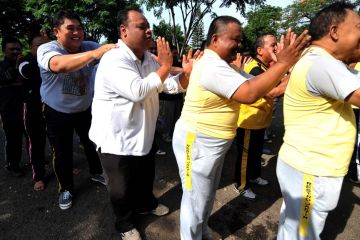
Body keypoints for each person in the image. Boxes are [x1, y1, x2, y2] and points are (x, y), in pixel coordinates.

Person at [172, 16, 310, 240]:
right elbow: (249, 93)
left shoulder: (224, 66)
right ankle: (191, 236)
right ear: (215, 39)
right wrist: (284, 63)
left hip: (212, 145)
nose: (239, 44)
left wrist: (289, 68)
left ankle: (200, 230)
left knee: (205, 195)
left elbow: (262, 86)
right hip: (195, 142)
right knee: (194, 198)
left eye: (240, 39)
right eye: (234, 39)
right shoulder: (211, 66)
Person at [89, 8, 198, 240]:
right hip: (115, 140)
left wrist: (186, 74)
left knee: (144, 176)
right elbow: (137, 91)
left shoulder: (148, 59)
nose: (149, 30)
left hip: (143, 135)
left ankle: (146, 204)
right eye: (141, 26)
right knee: (120, 189)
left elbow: (168, 86)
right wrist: (166, 67)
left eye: (148, 26)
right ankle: (125, 224)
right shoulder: (113, 59)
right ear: (123, 31)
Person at [276, 2, 360, 239]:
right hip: (310, 169)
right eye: (358, 27)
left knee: (293, 229)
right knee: (302, 233)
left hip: (306, 167)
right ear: (334, 31)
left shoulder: (321, 61)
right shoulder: (322, 63)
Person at [37, 9, 117, 210]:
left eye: (79, 28)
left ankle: (97, 172)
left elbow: (117, 58)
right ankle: (66, 188)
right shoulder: (47, 49)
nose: (77, 32)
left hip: (85, 108)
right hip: (56, 110)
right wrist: (95, 54)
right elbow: (59, 65)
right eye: (70, 28)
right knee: (62, 152)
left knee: (92, 143)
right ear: (57, 31)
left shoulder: (89, 46)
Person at [233, 33, 289, 200]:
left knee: (256, 152)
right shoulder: (253, 68)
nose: (276, 48)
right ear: (260, 50)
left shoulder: (265, 68)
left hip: (259, 120)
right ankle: (241, 184)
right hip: (249, 120)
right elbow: (273, 91)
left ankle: (254, 176)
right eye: (272, 45)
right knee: (245, 155)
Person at [18, 31, 49, 190]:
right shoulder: (24, 62)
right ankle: (38, 176)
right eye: (39, 45)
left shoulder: (54, 59)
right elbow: (28, 72)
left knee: (58, 141)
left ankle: (65, 167)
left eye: (46, 45)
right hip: (32, 108)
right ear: (31, 48)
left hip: (52, 106)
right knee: (35, 143)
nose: (43, 48)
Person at [0, 36, 25, 177]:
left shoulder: (24, 64)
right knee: (13, 140)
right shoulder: (2, 66)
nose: (16, 51)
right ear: (4, 50)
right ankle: (13, 165)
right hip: (9, 110)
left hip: (25, 108)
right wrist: (17, 66)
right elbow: (6, 78)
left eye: (17, 48)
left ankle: (36, 161)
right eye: (12, 49)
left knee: (31, 137)